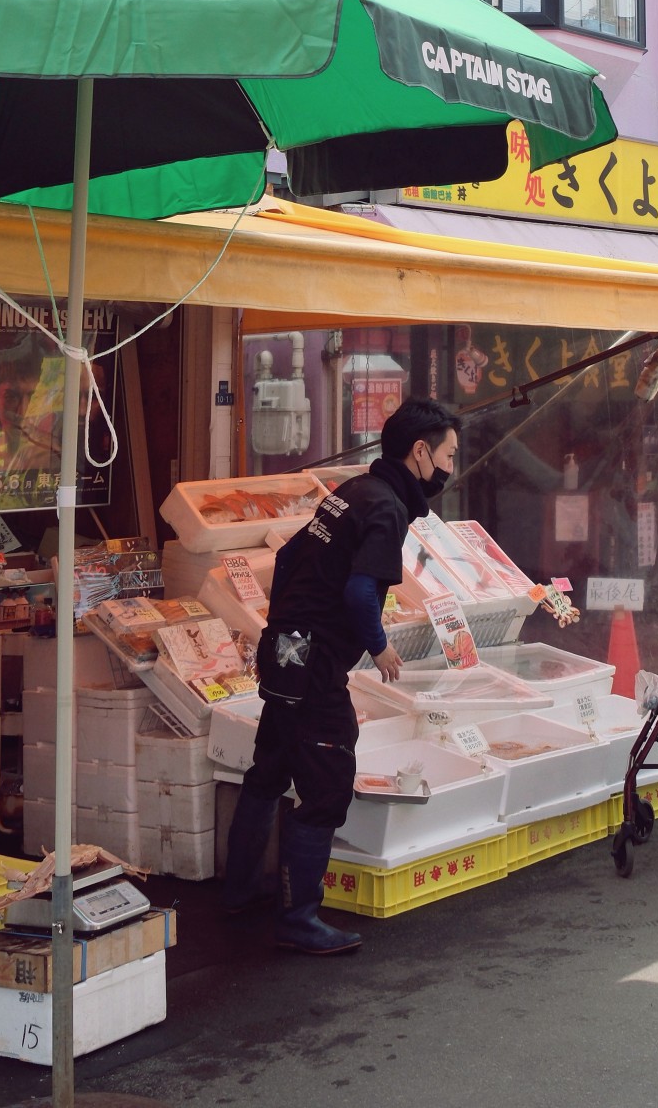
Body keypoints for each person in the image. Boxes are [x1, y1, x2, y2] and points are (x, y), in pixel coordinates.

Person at [224, 398, 460, 954]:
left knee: (269, 768)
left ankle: (239, 892)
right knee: (326, 783)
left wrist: (289, 626)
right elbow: (359, 591)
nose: (452, 466)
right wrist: (379, 648)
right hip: (316, 663)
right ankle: (298, 919)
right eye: (448, 454)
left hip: (285, 649)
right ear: (420, 452)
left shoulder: (353, 491)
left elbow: (287, 561)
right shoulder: (385, 508)